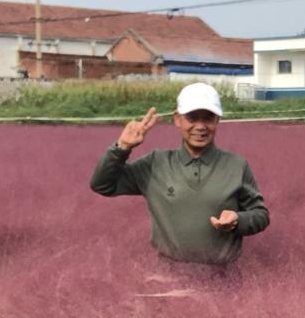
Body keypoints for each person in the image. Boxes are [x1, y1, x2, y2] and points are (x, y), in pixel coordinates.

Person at [90, 82, 269, 266]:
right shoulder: (155, 164)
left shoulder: (236, 165)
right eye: (192, 117)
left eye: (208, 118)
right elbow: (103, 185)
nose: (200, 126)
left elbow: (261, 214)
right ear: (177, 119)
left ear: (217, 121)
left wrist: (238, 220)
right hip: (168, 278)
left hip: (224, 278)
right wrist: (122, 147)